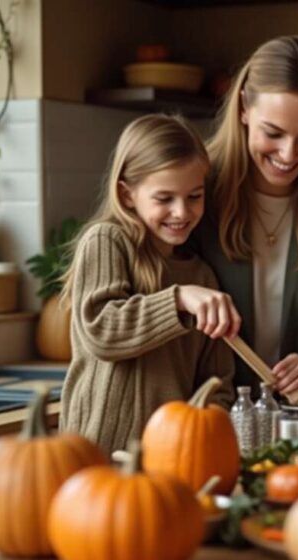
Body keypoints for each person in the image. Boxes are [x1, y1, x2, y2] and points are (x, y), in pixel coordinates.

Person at [191, 35, 298, 400]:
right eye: (273, 133)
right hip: (210, 413)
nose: (289, 154)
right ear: (243, 108)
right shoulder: (195, 187)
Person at [58, 114, 238, 454]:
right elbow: (102, 331)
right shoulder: (106, 241)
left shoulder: (202, 277)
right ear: (127, 195)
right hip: (95, 453)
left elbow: (218, 383)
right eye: (164, 198)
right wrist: (178, 300)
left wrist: (210, 427)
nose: (181, 212)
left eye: (194, 196)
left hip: (169, 456)